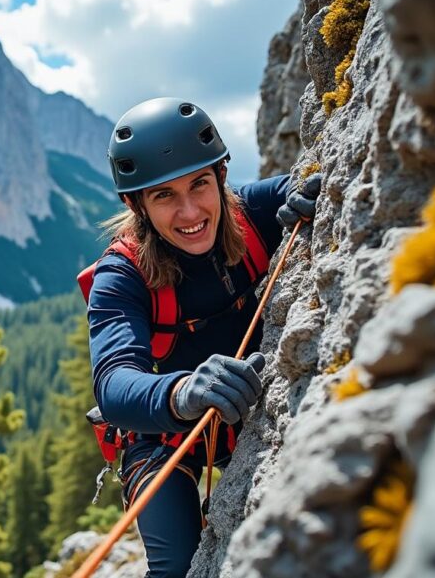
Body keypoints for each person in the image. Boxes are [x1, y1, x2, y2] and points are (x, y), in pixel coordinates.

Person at [87, 97, 320, 577]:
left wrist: (309, 191)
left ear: (220, 176)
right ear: (138, 205)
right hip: (166, 433)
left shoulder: (252, 213)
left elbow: (313, 180)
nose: (190, 210)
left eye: (199, 184)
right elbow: (113, 385)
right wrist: (182, 390)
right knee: (175, 568)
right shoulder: (122, 276)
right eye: (164, 195)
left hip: (249, 402)